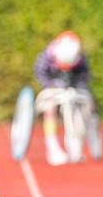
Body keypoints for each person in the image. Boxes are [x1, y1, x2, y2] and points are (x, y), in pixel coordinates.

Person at [33, 30, 94, 166]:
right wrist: (52, 85)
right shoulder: (47, 56)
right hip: (52, 90)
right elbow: (40, 73)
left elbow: (85, 76)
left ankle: (75, 144)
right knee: (50, 108)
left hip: (73, 90)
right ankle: (52, 144)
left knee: (83, 105)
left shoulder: (80, 57)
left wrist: (76, 87)